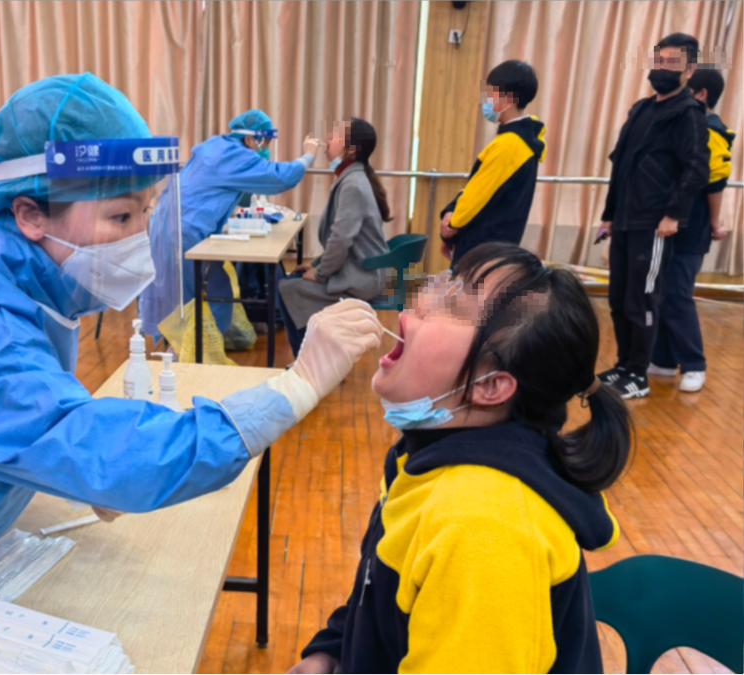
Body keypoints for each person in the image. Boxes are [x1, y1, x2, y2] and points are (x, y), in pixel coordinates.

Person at [0, 74, 384, 641]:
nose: (138, 239)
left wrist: (67, 469)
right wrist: (294, 387)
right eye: (121, 219)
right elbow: (68, 431)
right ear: (30, 214)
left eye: (146, 214)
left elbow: (16, 409)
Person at [285, 242, 631, 675]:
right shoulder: (426, 457)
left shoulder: (481, 529)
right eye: (443, 282)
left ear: (489, 386)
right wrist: (333, 651)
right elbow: (384, 592)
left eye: (452, 302)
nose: (419, 296)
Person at [139, 109, 320, 336]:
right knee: (196, 293)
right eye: (261, 142)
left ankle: (190, 345)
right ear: (248, 139)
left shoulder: (214, 146)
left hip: (166, 221)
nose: (263, 149)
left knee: (174, 288)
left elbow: (213, 188)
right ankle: (192, 351)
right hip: (185, 230)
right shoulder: (235, 156)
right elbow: (280, 177)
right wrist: (308, 156)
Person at [598, 33, 709, 399]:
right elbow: (621, 165)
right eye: (658, 60)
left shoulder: (688, 113)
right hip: (627, 221)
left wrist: (673, 215)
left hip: (655, 225)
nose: (661, 68)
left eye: (671, 63)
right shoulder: (641, 110)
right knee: (618, 297)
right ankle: (624, 364)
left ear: (688, 69)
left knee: (642, 299)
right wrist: (609, 214)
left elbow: (696, 170)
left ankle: (639, 375)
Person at [649, 69, 735, 393]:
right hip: (667, 225)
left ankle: (695, 364)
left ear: (699, 95)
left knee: (677, 295)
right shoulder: (683, 125)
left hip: (691, 227)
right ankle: (663, 359)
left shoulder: (711, 130)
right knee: (662, 293)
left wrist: (714, 222)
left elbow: (715, 182)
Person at [278, 118, 391, 357]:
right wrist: (316, 265)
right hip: (359, 271)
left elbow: (340, 240)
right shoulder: (352, 178)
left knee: (286, 290)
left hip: (362, 279)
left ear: (351, 150)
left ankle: (310, 365)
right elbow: (340, 240)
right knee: (293, 280)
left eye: (336, 135)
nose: (328, 138)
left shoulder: (352, 184)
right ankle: (316, 360)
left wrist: (320, 274)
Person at [439, 60, 545, 265]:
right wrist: (452, 210)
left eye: (490, 93)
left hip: (482, 251)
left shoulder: (509, 146)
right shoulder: (519, 142)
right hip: (495, 248)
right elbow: (477, 186)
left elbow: (476, 197)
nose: (485, 99)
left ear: (508, 99)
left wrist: (450, 226)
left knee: (470, 297)